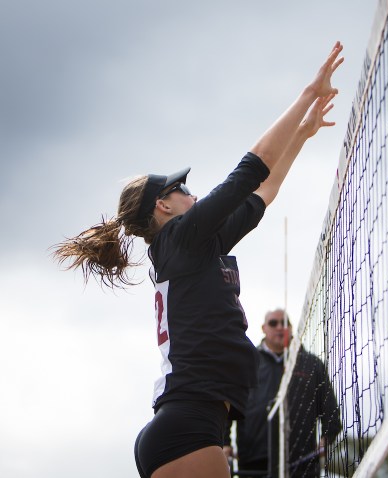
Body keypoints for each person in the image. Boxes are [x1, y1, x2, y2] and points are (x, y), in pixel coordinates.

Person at [52, 42, 344, 478]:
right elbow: (253, 166)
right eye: (181, 189)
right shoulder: (180, 240)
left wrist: (302, 135)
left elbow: (263, 192)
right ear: (163, 207)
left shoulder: (196, 246)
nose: (192, 192)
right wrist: (308, 92)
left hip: (191, 425)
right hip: (187, 427)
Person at [225, 309, 342, 478]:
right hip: (253, 463)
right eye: (274, 323)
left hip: (302, 463)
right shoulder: (247, 363)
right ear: (264, 328)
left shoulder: (312, 365)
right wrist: (225, 443)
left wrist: (327, 439)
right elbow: (229, 406)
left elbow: (331, 412)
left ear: (292, 328)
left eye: (285, 323)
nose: (280, 327)